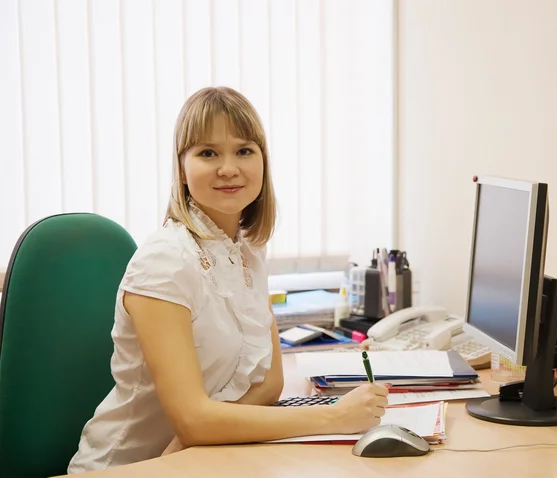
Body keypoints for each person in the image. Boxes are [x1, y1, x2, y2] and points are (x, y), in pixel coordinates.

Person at [68, 86, 389, 473]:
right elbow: (194, 419)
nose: (228, 168)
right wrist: (335, 417)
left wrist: (198, 435)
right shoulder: (165, 262)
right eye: (207, 153)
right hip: (133, 467)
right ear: (182, 169)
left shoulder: (248, 250)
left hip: (198, 459)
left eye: (244, 150)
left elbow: (270, 384)